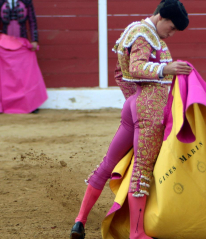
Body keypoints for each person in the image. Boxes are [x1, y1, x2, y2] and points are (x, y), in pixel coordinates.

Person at [69, 0, 191, 238]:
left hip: (135, 106)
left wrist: (133, 100)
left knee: (107, 164)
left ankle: (79, 221)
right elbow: (135, 68)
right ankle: (137, 234)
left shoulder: (136, 30)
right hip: (150, 109)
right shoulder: (145, 35)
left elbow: (119, 72)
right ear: (162, 17)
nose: (172, 33)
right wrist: (162, 74)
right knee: (142, 170)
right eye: (173, 27)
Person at [0, 0, 47, 114]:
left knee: (27, 75)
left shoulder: (27, 1)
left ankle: (31, 104)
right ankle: (6, 104)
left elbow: (32, 21)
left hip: (22, 43)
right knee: (8, 76)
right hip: (5, 44)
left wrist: (34, 40)